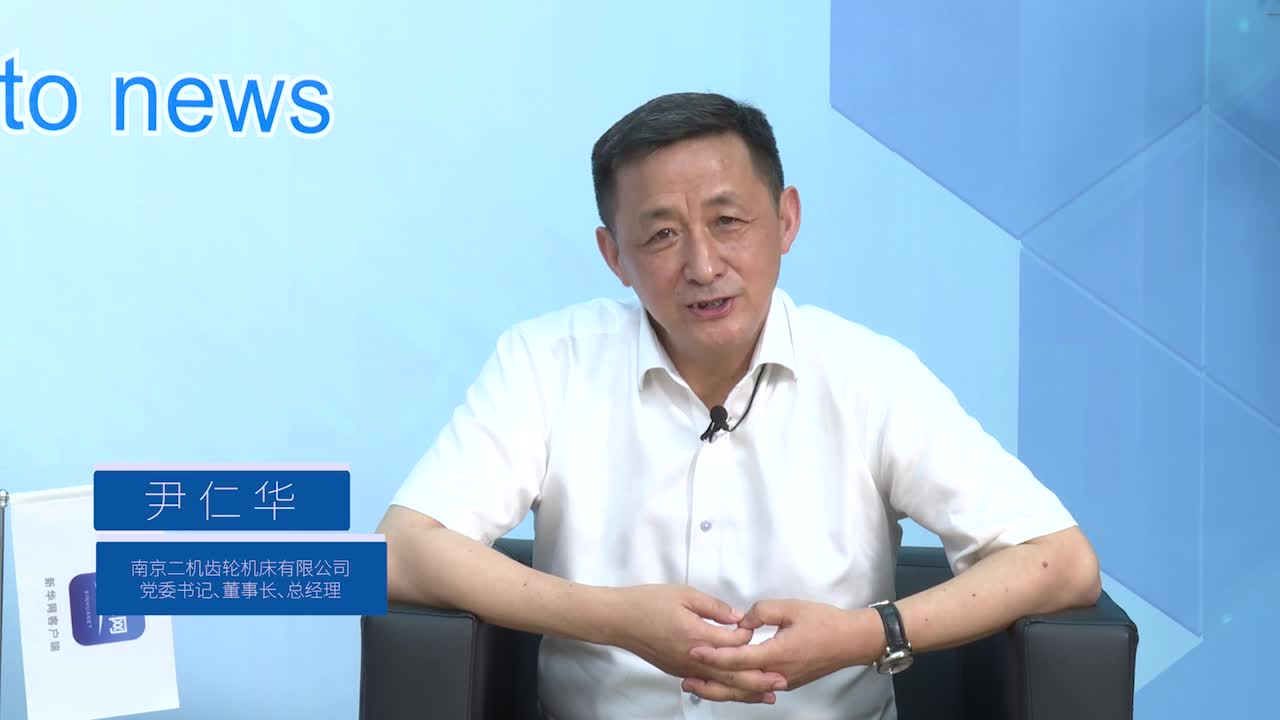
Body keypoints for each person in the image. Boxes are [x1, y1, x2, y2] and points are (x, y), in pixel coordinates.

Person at [376, 92, 1101, 720]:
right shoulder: (547, 362)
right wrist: (614, 618)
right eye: (662, 235)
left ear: (786, 220)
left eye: (728, 221)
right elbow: (401, 551)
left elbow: (1060, 562)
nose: (702, 266)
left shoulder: (868, 374)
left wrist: (864, 635)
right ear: (614, 256)